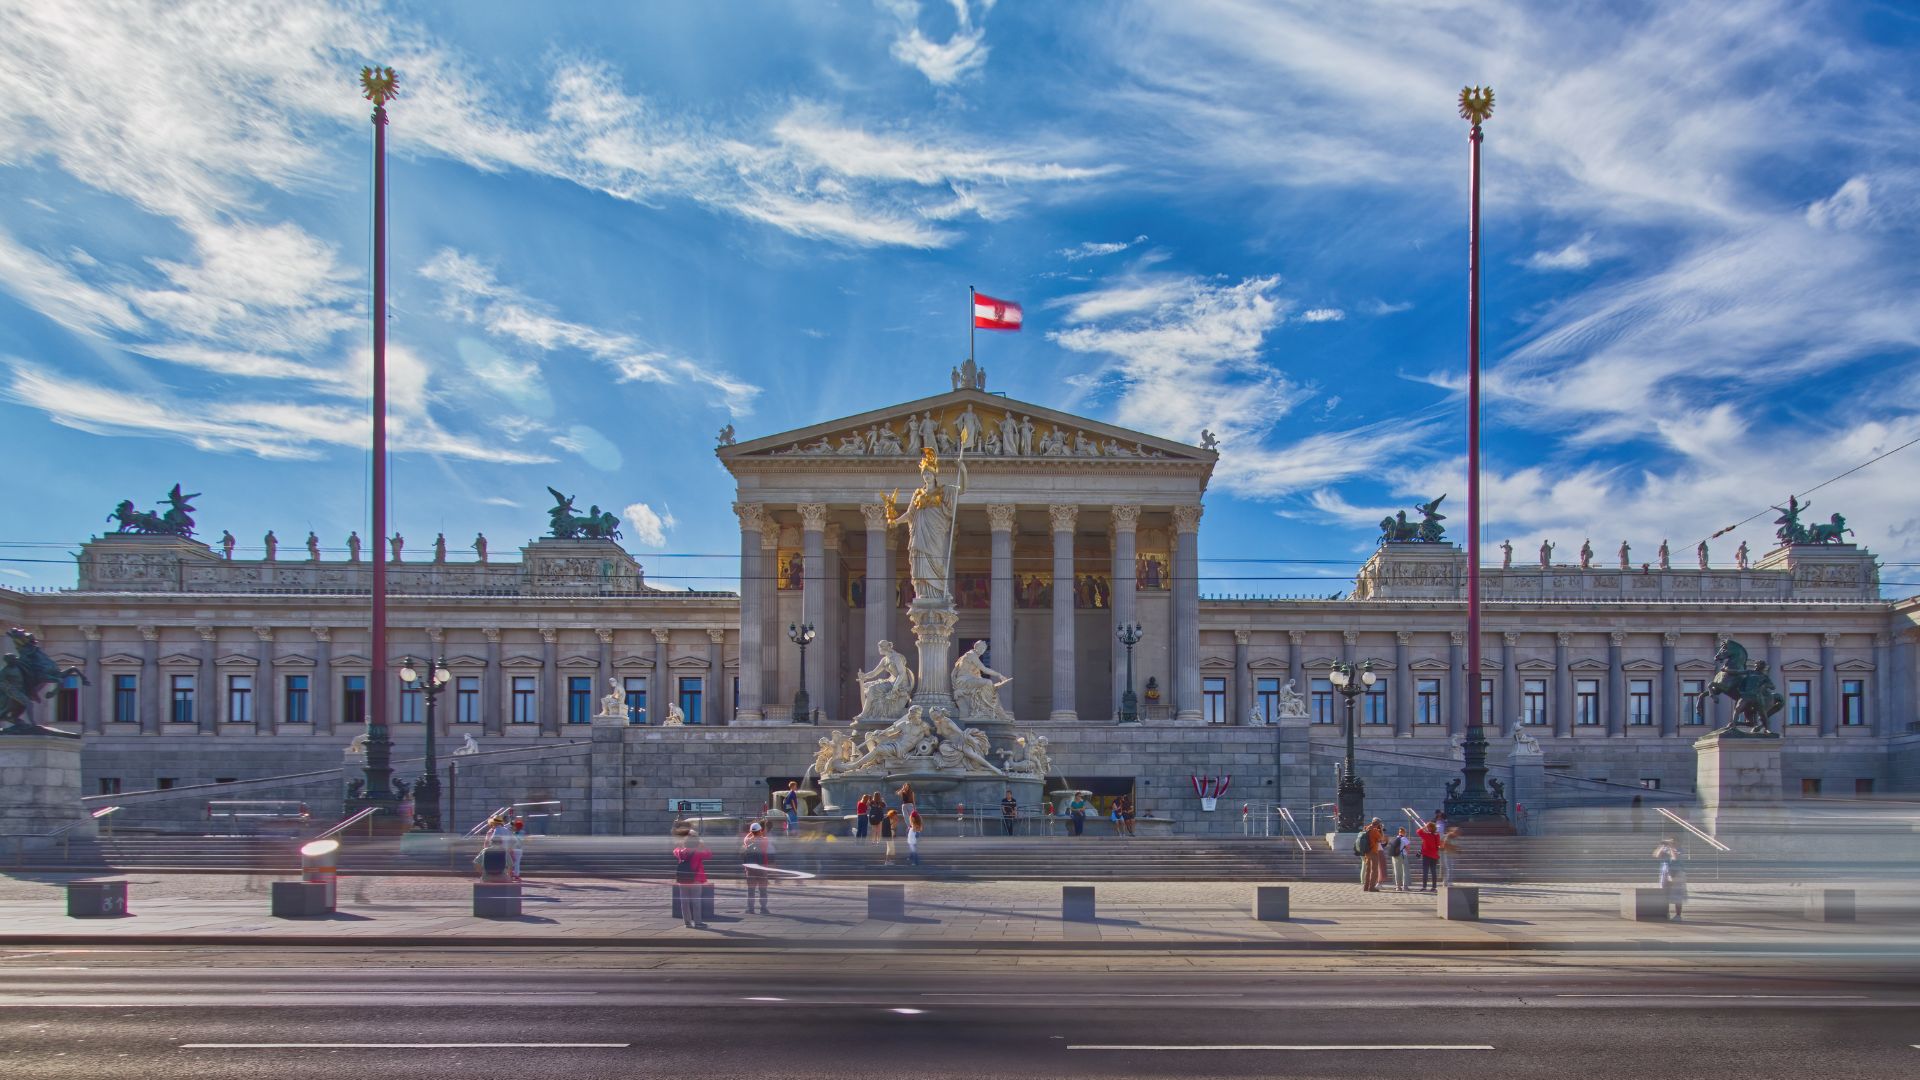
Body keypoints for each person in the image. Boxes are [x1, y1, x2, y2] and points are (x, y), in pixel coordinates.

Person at [672, 832, 711, 929]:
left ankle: (687, 922)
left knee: (684, 901)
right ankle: (698, 922)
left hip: (683, 879)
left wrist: (681, 845)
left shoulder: (681, 852)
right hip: (695, 879)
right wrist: (702, 845)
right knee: (696, 901)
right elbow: (708, 854)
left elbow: (675, 851)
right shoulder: (698, 852)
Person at [741, 822, 773, 915]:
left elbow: (747, 836)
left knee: (751, 890)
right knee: (763, 889)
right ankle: (763, 908)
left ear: (751, 831)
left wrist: (751, 833)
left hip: (750, 869)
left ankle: (750, 909)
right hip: (762, 868)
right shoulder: (765, 840)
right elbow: (763, 836)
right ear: (760, 831)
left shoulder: (747, 841)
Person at [1654, 836, 1687, 920]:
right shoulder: (1665, 848)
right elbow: (1656, 855)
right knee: (1664, 893)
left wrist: (1671, 847)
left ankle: (1678, 915)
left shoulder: (1680, 849)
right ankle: (1665, 913)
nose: (1669, 842)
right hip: (1665, 872)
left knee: (1677, 894)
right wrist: (1661, 846)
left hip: (1677, 872)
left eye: (1672, 841)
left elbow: (1675, 858)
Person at [1417, 821, 1441, 891]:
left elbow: (1418, 831)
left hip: (1426, 855)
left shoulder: (1426, 835)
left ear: (1430, 828)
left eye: (1428, 827)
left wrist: (1424, 827)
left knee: (1425, 871)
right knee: (1433, 871)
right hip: (1434, 856)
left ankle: (1424, 887)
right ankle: (1434, 887)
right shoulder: (1437, 835)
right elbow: (1438, 844)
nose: (1426, 828)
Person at [1388, 826, 1411, 892]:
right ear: (1404, 832)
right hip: (1402, 855)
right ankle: (1405, 886)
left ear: (1399, 832)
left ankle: (1398, 886)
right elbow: (1408, 848)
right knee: (1405, 871)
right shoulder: (1404, 839)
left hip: (1394, 856)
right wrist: (1407, 853)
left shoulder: (1395, 838)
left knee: (1397, 871)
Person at [505, 816, 527, 881]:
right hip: (518, 849)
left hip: (512, 848)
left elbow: (507, 827)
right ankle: (516, 875)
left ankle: (510, 874)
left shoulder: (512, 832)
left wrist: (511, 825)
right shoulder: (522, 832)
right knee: (517, 863)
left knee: (510, 862)